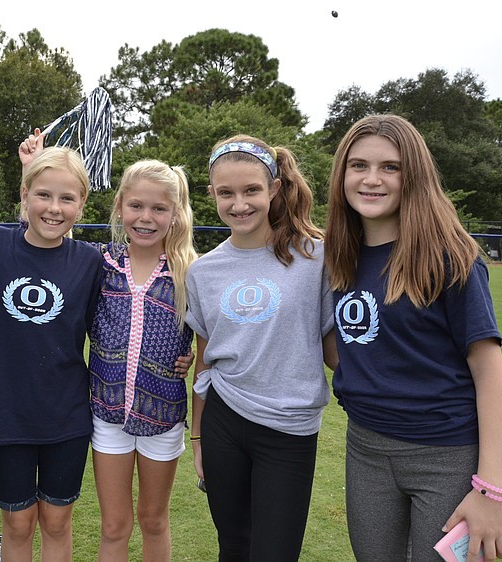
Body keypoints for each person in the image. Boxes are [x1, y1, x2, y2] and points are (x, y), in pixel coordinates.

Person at [325, 114, 502, 562]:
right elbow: (349, 350)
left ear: (414, 175)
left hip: (445, 456)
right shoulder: (338, 254)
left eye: (390, 167)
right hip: (366, 448)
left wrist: (491, 489)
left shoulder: (452, 257)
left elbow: (491, 377)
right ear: (342, 175)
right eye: (358, 166)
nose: (372, 179)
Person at [186, 134, 337, 561]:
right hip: (223, 424)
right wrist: (198, 437)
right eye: (226, 193)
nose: (239, 204)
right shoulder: (203, 271)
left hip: (289, 429)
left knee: (275, 552)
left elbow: (334, 348)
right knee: (233, 546)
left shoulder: (316, 257)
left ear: (273, 188)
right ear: (212, 194)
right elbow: (205, 359)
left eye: (251, 190)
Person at [0, 145, 103, 562]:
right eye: (43, 194)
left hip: (66, 414)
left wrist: (177, 354)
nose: (54, 207)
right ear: (24, 195)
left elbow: (114, 326)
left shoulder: (90, 261)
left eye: (67, 198)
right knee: (17, 522)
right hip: (6, 412)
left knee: (57, 522)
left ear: (82, 205)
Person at [88, 160, 197, 562]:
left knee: (153, 520)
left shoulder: (190, 272)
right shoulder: (100, 263)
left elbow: (215, 337)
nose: (146, 218)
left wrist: (190, 356)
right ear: (119, 207)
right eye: (136, 206)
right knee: (114, 525)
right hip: (107, 411)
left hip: (162, 414)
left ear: (175, 214)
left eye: (158, 209)